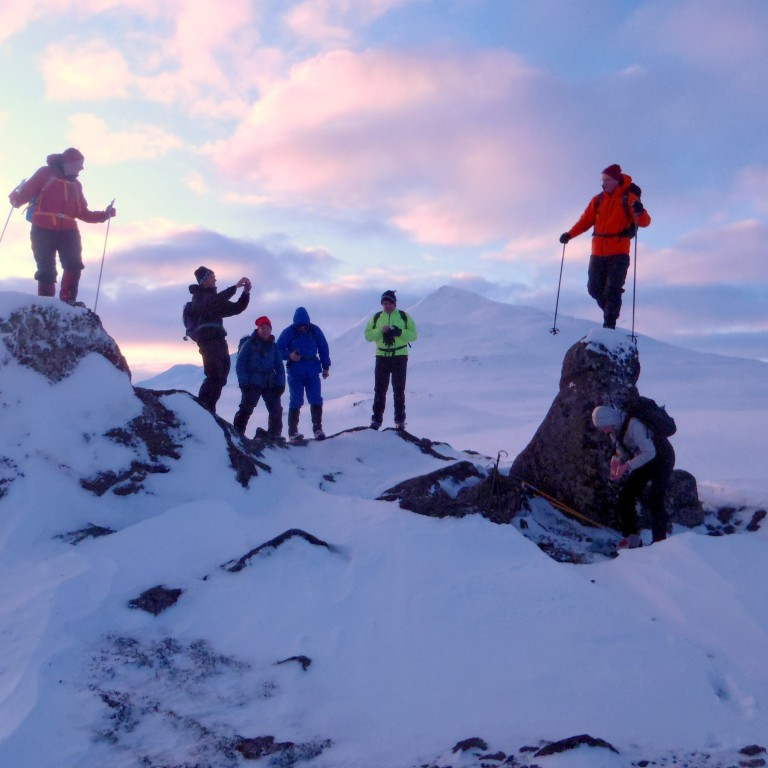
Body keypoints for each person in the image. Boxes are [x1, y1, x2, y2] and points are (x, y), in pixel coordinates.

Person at [8, 147, 116, 303]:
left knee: (74, 265)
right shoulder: (45, 173)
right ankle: (47, 302)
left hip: (68, 230)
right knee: (46, 269)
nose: (81, 169)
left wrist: (105, 215)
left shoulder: (76, 185)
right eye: (79, 165)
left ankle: (68, 301)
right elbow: (21, 198)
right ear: (69, 163)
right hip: (42, 229)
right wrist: (15, 198)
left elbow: (82, 212)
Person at [559, 164, 650, 329]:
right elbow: (585, 221)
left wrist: (640, 211)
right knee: (593, 288)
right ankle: (611, 310)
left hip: (619, 252)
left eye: (607, 180)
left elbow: (644, 222)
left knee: (613, 289)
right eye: (603, 180)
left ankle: (610, 323)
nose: (604, 183)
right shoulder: (598, 200)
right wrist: (569, 235)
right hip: (597, 253)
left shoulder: (629, 199)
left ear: (616, 180)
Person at [592, 404, 675, 548]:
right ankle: (632, 540)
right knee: (626, 495)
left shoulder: (634, 425)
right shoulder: (614, 430)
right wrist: (616, 461)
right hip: (646, 458)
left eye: (604, 426)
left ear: (610, 420)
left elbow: (650, 452)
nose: (603, 430)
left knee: (655, 498)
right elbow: (623, 450)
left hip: (663, 458)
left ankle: (660, 545)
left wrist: (627, 466)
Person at [188, 266, 251, 414]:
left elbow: (236, 308)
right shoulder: (199, 297)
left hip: (219, 338)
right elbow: (213, 302)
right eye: (212, 277)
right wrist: (235, 287)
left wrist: (246, 293)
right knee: (214, 373)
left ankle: (209, 409)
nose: (215, 279)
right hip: (207, 340)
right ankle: (203, 407)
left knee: (222, 373)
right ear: (204, 281)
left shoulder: (213, 298)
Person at [364, 289, 418, 431]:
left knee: (399, 389)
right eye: (384, 303)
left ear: (395, 304)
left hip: (399, 357)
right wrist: (380, 331)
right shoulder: (376, 318)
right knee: (380, 390)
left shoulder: (403, 316)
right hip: (382, 356)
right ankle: (376, 420)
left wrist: (399, 332)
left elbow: (413, 336)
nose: (387, 306)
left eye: (389, 303)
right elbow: (368, 336)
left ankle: (399, 420)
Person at [276, 307, 331, 441]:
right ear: (295, 324)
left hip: (312, 370)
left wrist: (326, 366)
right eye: (299, 326)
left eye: (304, 326)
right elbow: (277, 350)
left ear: (308, 323)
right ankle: (293, 432)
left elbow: (323, 347)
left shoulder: (314, 330)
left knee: (316, 398)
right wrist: (289, 355)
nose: (302, 328)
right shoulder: (289, 332)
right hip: (295, 372)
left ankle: (318, 429)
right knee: (296, 400)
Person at [233, 316, 286, 441]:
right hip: (252, 382)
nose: (265, 331)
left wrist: (280, 384)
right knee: (246, 408)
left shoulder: (273, 346)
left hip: (270, 383)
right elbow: (240, 363)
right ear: (258, 328)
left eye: (268, 328)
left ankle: (274, 435)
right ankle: (238, 433)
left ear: (271, 329)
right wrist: (244, 383)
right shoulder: (249, 343)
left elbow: (279, 366)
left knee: (276, 410)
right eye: (263, 328)